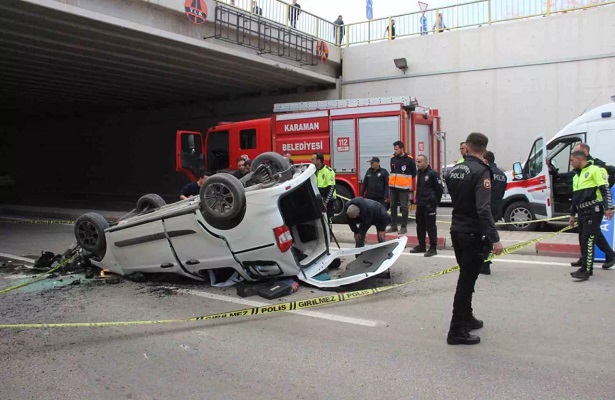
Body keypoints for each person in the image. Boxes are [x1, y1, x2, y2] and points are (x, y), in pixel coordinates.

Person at [445, 132, 503, 345]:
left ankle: (467, 317)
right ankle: (456, 331)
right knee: (466, 282)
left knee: (467, 278)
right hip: (472, 233)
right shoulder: (481, 171)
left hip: (457, 230)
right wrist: (495, 238)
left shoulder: (454, 171)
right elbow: (483, 208)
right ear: (484, 150)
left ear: (467, 148)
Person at [568, 150, 614, 280]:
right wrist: (572, 215)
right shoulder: (577, 176)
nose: (571, 163)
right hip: (582, 212)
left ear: (579, 159)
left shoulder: (595, 170)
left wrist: (608, 208)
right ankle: (584, 266)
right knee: (583, 239)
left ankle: (586, 270)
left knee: (588, 240)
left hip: (593, 210)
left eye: (572, 160)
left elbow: (605, 190)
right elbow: (576, 198)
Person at [480, 151, 508, 275]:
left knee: (482, 237)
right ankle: (486, 261)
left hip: (485, 209)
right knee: (490, 236)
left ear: (485, 160)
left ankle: (484, 263)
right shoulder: (502, 175)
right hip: (496, 209)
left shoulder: (486, 172)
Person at [410, 155, 442, 257]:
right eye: (417, 162)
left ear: (425, 162)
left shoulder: (432, 174)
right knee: (420, 226)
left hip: (429, 205)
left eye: (419, 162)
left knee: (431, 226)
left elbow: (439, 189)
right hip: (420, 204)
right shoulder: (419, 173)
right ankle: (422, 245)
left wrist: (435, 203)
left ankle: (433, 247)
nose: (417, 164)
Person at [387, 141, 416, 235]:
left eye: (397, 149)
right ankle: (393, 226)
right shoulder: (393, 159)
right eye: (394, 149)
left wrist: (405, 181)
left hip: (403, 187)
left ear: (402, 149)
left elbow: (414, 173)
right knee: (392, 206)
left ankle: (404, 227)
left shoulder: (409, 160)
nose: (395, 151)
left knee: (404, 207)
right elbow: (392, 171)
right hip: (393, 187)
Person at [312, 152, 336, 230]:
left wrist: (325, 202)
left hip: (329, 199)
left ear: (319, 160)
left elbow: (332, 187)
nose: (311, 161)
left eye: (313, 159)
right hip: (319, 198)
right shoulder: (314, 171)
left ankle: (330, 235)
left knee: (328, 218)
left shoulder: (328, 171)